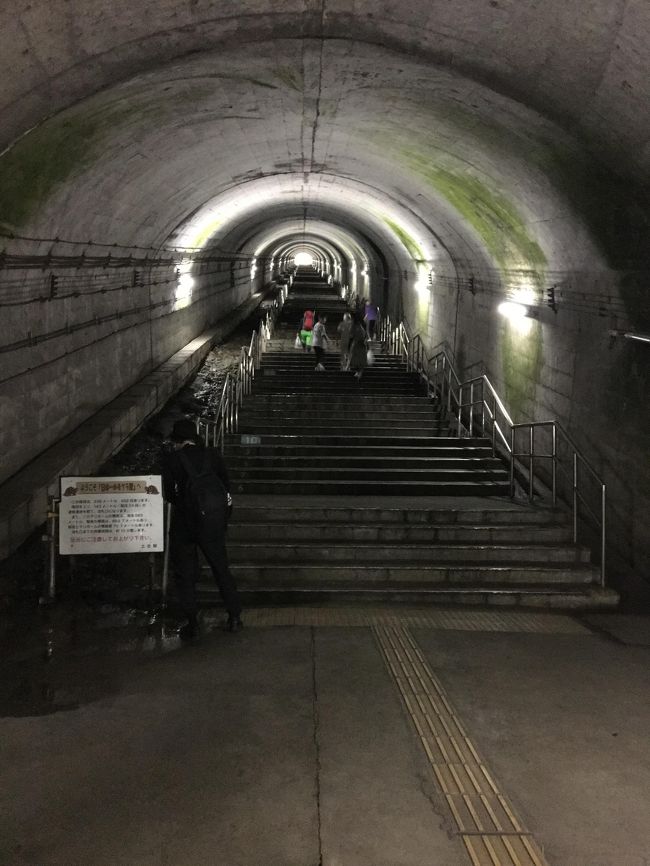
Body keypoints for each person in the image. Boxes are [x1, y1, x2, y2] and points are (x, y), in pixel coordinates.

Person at [161, 418, 242, 642]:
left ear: (178, 441)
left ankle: (193, 623)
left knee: (185, 573)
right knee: (220, 567)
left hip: (184, 524)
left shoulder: (172, 459)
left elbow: (168, 493)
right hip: (212, 522)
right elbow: (226, 485)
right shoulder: (213, 455)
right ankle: (234, 616)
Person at [348, 313, 368, 379]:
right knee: (358, 359)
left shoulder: (355, 326)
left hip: (358, 344)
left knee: (357, 359)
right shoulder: (359, 326)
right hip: (359, 344)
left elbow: (351, 335)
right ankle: (359, 371)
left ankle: (359, 372)